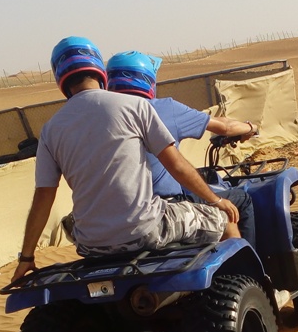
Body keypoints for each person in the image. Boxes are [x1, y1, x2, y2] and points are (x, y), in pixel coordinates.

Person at [11, 37, 239, 282]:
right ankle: (248, 285)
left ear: (60, 78)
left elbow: (43, 197)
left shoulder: (50, 129)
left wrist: (26, 257)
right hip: (145, 229)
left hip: (90, 244)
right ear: (99, 69)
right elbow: (177, 166)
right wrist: (216, 201)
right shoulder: (134, 106)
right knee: (225, 222)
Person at [105, 50, 260, 246]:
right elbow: (225, 127)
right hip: (167, 203)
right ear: (147, 80)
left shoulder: (102, 118)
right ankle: (253, 271)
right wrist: (252, 127)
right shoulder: (164, 108)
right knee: (242, 200)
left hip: (120, 211)